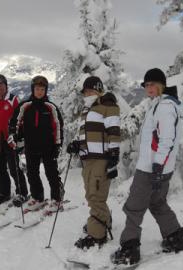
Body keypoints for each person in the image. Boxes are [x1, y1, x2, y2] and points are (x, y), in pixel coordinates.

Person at [111, 68, 183, 266]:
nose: (149, 88)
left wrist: (157, 166)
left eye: (153, 84)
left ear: (162, 85)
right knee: (157, 203)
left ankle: (129, 249)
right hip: (161, 167)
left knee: (134, 207)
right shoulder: (164, 104)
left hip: (152, 168)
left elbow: (167, 140)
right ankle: (175, 236)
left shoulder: (164, 107)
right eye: (146, 85)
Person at [66, 76, 120, 249]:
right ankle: (102, 219)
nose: (88, 94)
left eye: (91, 90)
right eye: (86, 91)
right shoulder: (87, 109)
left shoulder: (107, 106)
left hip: (102, 158)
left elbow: (114, 131)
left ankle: (97, 234)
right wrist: (76, 144)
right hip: (88, 160)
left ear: (99, 90)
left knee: (96, 196)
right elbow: (87, 134)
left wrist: (114, 155)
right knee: (90, 195)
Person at [9, 75, 64, 212]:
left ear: (46, 91)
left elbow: (58, 127)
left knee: (51, 173)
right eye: (37, 89)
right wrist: (14, 135)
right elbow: (14, 123)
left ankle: (56, 200)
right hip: (31, 146)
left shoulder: (51, 107)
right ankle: (38, 197)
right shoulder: (25, 106)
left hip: (48, 147)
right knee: (32, 174)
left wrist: (57, 145)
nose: (40, 91)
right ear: (32, 89)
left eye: (42, 89)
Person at [0, 74, 29, 208]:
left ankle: (21, 192)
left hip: (9, 139)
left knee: (14, 168)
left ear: (6, 86)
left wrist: (19, 137)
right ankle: (4, 193)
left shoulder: (13, 100)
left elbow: (21, 120)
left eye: (1, 84)